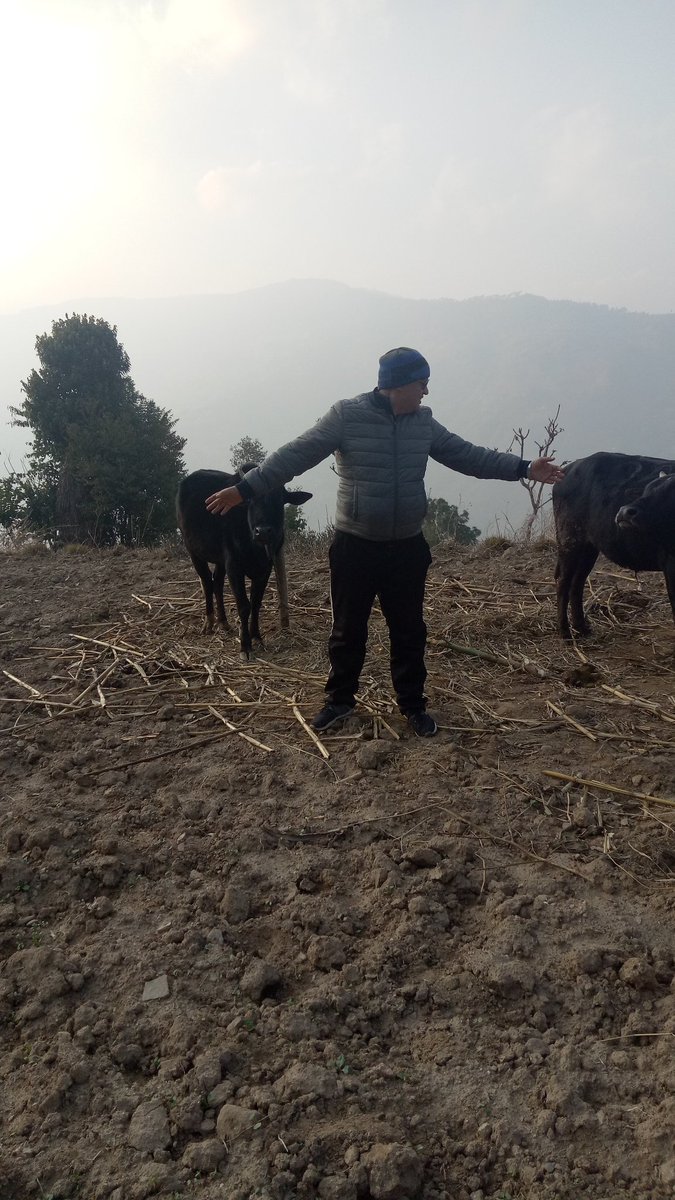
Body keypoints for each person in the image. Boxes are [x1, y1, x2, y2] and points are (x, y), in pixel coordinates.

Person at [205, 347, 564, 737]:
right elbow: (294, 455)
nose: (426, 392)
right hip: (355, 546)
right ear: (398, 385)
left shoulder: (423, 423)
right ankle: (339, 701)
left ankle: (413, 705)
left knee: (410, 630)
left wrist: (523, 468)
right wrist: (243, 489)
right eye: (422, 383)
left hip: (407, 547)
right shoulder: (347, 415)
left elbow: (469, 456)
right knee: (347, 630)